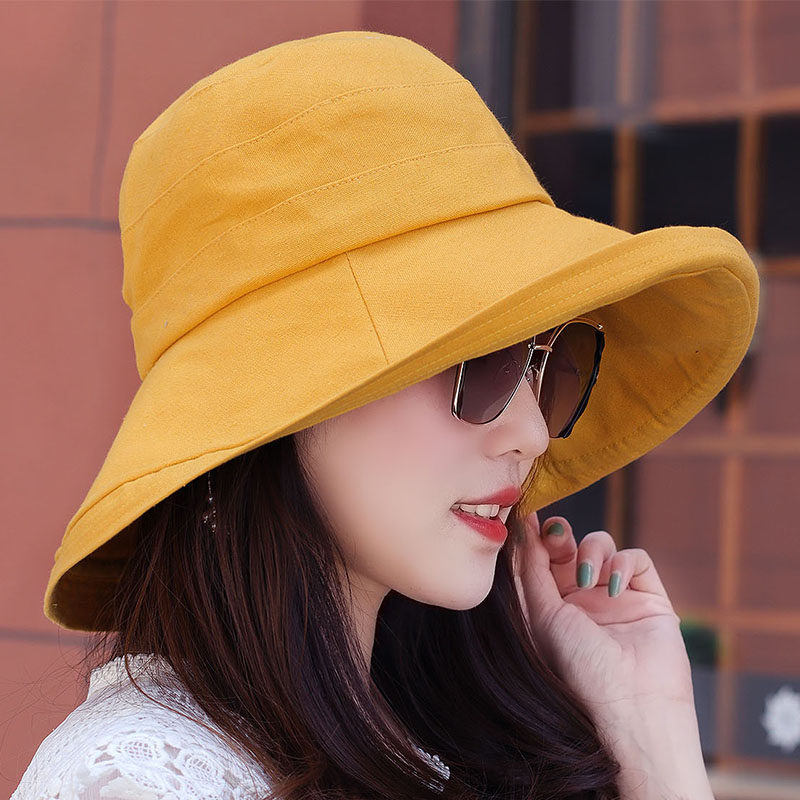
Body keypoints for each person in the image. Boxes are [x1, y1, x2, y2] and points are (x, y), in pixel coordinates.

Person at [12, 29, 759, 800]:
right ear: (278, 402)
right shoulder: (144, 779)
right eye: (482, 360)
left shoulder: (425, 740)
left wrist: (650, 733)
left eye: (550, 363)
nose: (533, 433)